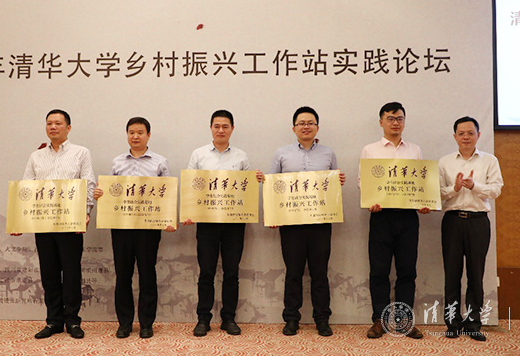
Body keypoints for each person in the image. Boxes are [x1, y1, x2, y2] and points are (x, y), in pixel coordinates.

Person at [93, 117, 176, 339]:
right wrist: (100, 193)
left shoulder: (160, 162)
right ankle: (125, 323)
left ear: (148, 135)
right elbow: (111, 192)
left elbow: (167, 194)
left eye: (140, 132)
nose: (135, 136)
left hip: (149, 228)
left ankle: (147, 323)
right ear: (127, 135)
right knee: (123, 275)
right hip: (121, 227)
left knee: (147, 273)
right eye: (131, 132)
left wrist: (169, 220)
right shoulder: (117, 162)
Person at [267, 106, 346, 337]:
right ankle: (292, 319)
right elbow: (273, 185)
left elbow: (331, 187)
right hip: (291, 224)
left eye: (310, 123)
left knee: (319, 272)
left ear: (317, 127)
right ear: (294, 128)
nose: (306, 126)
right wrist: (272, 215)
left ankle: (322, 319)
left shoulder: (328, 153)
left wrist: (338, 181)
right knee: (293, 272)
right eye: (301, 123)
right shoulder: (281, 153)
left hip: (320, 223)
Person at [182, 110, 263, 337]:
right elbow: (190, 186)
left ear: (232, 129)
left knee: (231, 272)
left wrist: (255, 180)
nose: (220, 130)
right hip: (207, 222)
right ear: (211, 128)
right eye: (216, 126)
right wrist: (188, 212)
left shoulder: (241, 156)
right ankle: (203, 319)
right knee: (206, 272)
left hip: (234, 223)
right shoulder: (199, 154)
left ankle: (229, 318)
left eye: (225, 126)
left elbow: (246, 190)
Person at [18, 109, 96, 339]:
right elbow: (26, 188)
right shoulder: (36, 156)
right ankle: (53, 321)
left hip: (70, 223)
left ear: (68, 128)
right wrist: (19, 220)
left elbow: (88, 184)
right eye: (49, 123)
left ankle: (72, 321)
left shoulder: (81, 153)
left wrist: (85, 213)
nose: (53, 127)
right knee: (49, 273)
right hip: (43, 223)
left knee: (71, 274)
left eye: (58, 123)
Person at [360, 102, 429, 339]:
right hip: (381, 216)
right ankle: (379, 320)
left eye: (399, 118)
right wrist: (371, 201)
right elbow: (362, 182)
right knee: (379, 271)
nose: (395, 123)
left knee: (407, 271)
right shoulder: (370, 150)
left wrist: (423, 202)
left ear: (404, 122)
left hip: (408, 217)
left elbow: (421, 183)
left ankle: (404, 321)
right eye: (390, 118)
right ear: (381, 122)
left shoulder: (415, 150)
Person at [438, 116, 503, 342]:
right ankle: (453, 323)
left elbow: (496, 190)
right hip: (452, 221)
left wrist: (475, 186)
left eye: (470, 133)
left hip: (478, 222)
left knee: (476, 274)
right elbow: (437, 193)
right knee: (452, 274)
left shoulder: (489, 161)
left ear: (478, 135)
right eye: (461, 133)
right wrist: (454, 189)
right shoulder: (445, 162)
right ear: (454, 136)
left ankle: (474, 323)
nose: (466, 137)